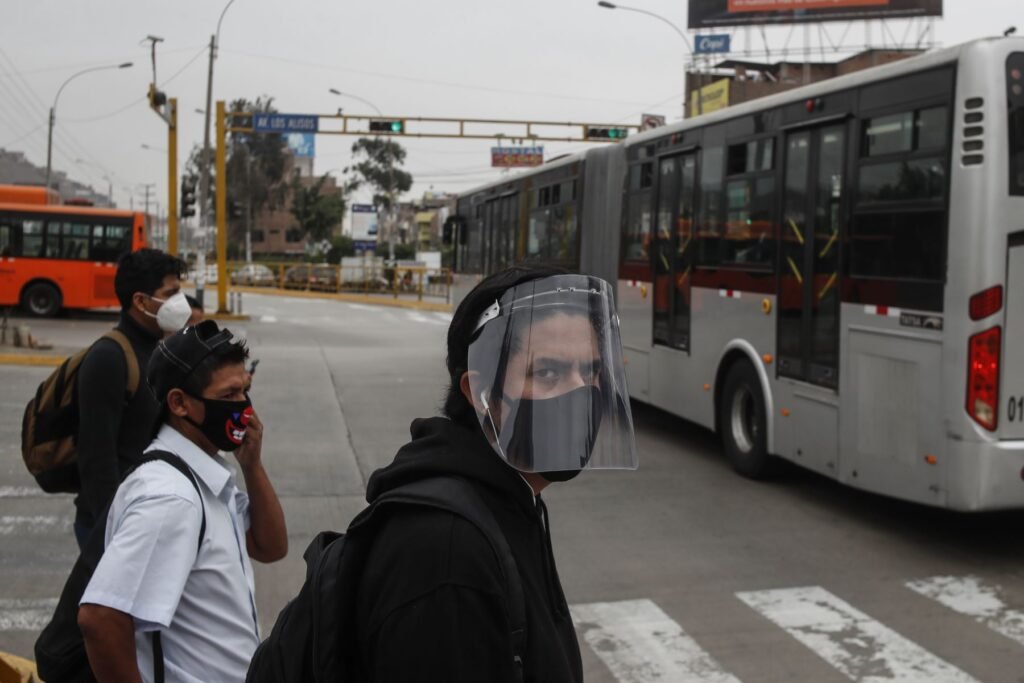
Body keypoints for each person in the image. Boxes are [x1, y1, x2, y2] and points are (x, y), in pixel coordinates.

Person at [352, 265, 637, 681]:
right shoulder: (446, 551)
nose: (582, 392)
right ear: (479, 394)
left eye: (591, 371)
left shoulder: (511, 498)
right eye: (549, 373)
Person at [78, 320, 287, 683]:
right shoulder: (170, 497)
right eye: (228, 396)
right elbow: (100, 619)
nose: (244, 409)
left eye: (245, 391)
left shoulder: (200, 474)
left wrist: (252, 466)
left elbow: (269, 546)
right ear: (179, 403)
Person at [73, 248, 192, 549]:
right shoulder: (109, 358)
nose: (181, 301)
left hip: (150, 513)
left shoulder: (157, 349)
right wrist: (114, 534)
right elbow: (97, 459)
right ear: (141, 301)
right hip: (118, 524)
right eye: (171, 293)